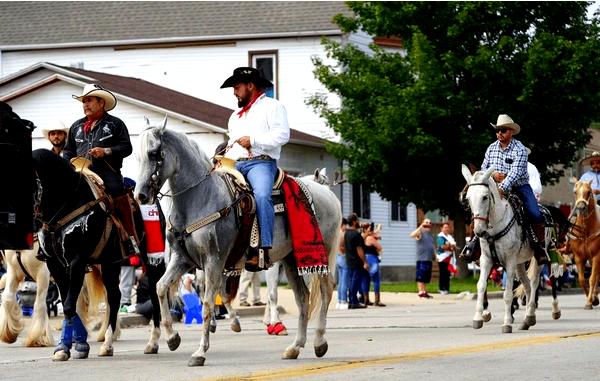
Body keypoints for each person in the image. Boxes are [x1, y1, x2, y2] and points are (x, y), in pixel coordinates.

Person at [220, 67, 290, 271]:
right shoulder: (235, 116)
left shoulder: (273, 107)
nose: (234, 91)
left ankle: (263, 249)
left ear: (250, 86)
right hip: (236, 164)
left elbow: (282, 136)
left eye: (237, 87)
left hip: (262, 162)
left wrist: (254, 140)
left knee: (261, 196)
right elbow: (232, 145)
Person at [62, 83, 138, 256]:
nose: (85, 105)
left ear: (101, 102)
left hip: (107, 173)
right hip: (80, 173)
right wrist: (68, 164)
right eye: (84, 101)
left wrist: (106, 151)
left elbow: (127, 147)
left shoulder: (115, 124)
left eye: (89, 101)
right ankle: (54, 241)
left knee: (119, 192)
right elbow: (68, 151)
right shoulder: (75, 127)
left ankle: (130, 238)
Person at [481, 114, 549, 265]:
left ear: (511, 131)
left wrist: (503, 187)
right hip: (495, 186)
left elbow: (516, 172)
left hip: (519, 187)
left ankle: (538, 248)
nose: (499, 133)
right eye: (497, 130)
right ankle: (474, 245)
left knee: (535, 213)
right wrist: (493, 175)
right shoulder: (491, 148)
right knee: (479, 208)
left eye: (503, 130)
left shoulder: (520, 149)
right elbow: (483, 168)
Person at [344, 213, 368, 309]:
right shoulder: (356, 234)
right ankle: (354, 302)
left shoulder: (347, 233)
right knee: (355, 282)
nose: (359, 222)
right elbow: (359, 250)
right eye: (357, 220)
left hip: (349, 260)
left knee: (350, 282)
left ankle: (351, 301)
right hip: (357, 261)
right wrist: (365, 262)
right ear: (354, 222)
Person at [409, 218, 435, 299]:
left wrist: (435, 255)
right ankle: (420, 292)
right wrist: (421, 226)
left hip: (429, 258)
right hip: (421, 258)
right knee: (421, 276)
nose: (428, 223)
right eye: (426, 222)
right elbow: (412, 235)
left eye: (429, 222)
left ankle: (424, 291)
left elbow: (432, 246)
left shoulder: (431, 235)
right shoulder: (420, 233)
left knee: (426, 277)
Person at [364, 222, 385, 306]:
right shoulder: (370, 238)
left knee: (365, 280)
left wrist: (378, 230)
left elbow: (375, 233)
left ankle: (366, 299)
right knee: (376, 279)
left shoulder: (363, 237)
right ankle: (377, 300)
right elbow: (379, 247)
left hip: (365, 258)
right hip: (372, 259)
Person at [436, 222, 456, 295]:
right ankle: (441, 288)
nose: (446, 229)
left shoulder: (450, 237)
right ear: (442, 228)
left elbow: (454, 247)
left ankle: (447, 289)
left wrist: (449, 246)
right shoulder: (440, 236)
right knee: (443, 273)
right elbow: (442, 246)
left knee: (448, 274)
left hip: (449, 258)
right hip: (442, 258)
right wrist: (450, 246)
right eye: (445, 227)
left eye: (448, 227)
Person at [335, 217, 349, 310]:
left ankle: (339, 300)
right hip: (343, 257)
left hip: (338, 257)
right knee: (344, 281)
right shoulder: (342, 234)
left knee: (340, 281)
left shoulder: (336, 234)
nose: (346, 227)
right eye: (345, 225)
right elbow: (343, 247)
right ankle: (343, 300)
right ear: (342, 225)